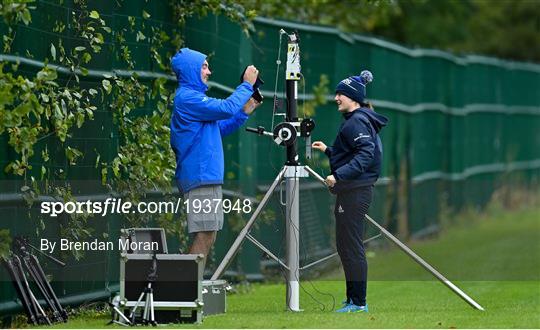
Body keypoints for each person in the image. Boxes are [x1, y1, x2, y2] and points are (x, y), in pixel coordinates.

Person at [170, 48, 261, 262]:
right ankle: (184, 288)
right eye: (204, 66)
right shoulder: (188, 99)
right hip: (200, 177)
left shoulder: (195, 100)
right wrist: (247, 84)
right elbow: (227, 107)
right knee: (205, 234)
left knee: (209, 233)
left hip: (206, 177)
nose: (209, 72)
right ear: (191, 69)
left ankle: (189, 287)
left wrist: (244, 113)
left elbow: (219, 128)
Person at [312, 70, 388, 313]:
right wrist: (328, 151)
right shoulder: (357, 120)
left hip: (356, 192)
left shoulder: (356, 121)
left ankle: (358, 303)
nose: (336, 98)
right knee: (345, 246)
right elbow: (352, 153)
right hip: (353, 191)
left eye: (341, 94)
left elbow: (366, 155)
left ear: (353, 97)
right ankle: (353, 300)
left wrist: (338, 175)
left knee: (351, 246)